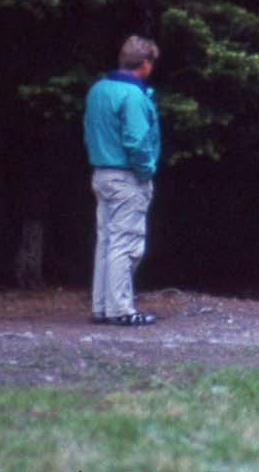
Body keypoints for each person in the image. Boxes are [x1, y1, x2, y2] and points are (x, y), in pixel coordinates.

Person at [84, 35, 162, 326]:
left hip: (101, 173)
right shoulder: (133, 95)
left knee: (106, 241)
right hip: (126, 177)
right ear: (145, 63)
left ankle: (102, 306)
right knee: (126, 243)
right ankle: (121, 310)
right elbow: (137, 141)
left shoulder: (98, 89)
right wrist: (146, 171)